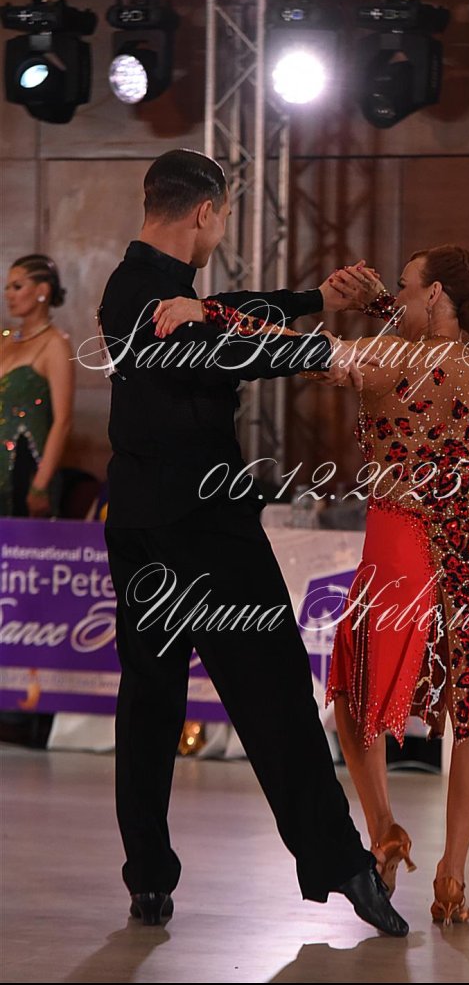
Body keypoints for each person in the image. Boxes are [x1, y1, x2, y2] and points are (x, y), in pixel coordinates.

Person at [98, 148, 408, 936]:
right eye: (225, 215)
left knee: (151, 700)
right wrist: (324, 349)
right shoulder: (146, 298)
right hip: (204, 528)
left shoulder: (141, 289)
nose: (220, 228)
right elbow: (220, 345)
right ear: (207, 212)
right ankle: (340, 864)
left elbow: (224, 313)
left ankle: (149, 877)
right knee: (270, 691)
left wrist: (312, 300)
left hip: (140, 524)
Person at [316, 245, 469, 925]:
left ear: (434, 293)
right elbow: (428, 346)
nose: (394, 296)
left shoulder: (384, 359)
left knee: (358, 685)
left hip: (404, 527)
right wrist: (386, 304)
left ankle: (385, 830)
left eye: (404, 286)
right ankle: (452, 873)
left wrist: (217, 315)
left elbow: (313, 356)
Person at [1, 254, 74, 516]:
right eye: (7, 287)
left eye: (17, 287)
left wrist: (41, 485)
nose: (8, 295)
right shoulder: (6, 338)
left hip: (27, 464)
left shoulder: (55, 344)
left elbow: (63, 421)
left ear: (42, 290)